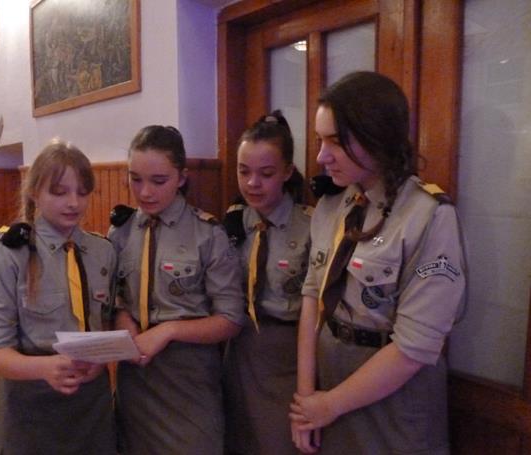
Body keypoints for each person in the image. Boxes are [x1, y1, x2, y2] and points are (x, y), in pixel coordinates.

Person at [289, 71, 467, 454]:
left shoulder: (427, 215)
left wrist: (328, 405)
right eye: (320, 140)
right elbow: (312, 297)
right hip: (330, 382)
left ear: (377, 136)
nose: (321, 156)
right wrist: (307, 401)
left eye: (336, 142)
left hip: (393, 398)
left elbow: (414, 347)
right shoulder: (332, 206)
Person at [108, 125, 245, 454]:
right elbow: (114, 298)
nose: (145, 192)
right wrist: (123, 320)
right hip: (135, 374)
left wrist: (168, 331)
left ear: (182, 177)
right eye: (135, 179)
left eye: (159, 181)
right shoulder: (121, 233)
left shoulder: (207, 234)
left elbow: (230, 319)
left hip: (188, 375)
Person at [0, 139, 117, 455]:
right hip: (31, 403)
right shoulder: (10, 254)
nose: (73, 203)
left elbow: (106, 320)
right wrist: (45, 369)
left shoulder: (102, 251)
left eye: (82, 192)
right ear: (34, 192)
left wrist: (101, 358)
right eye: (59, 192)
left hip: (91, 402)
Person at [222, 110, 312, 455]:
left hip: (287, 354)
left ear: (287, 172)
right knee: (238, 440)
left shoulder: (310, 225)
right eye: (244, 171)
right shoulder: (233, 222)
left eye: (266, 174)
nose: (252, 183)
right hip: (238, 348)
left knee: (279, 442)